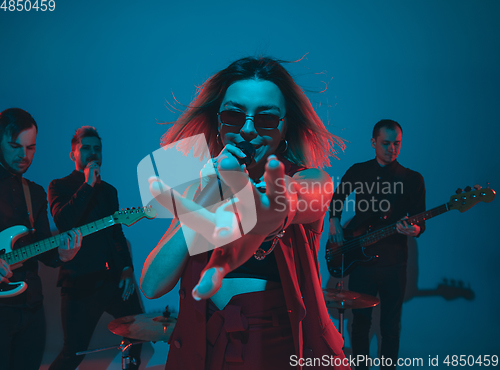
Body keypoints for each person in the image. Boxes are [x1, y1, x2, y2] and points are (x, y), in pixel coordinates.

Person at [141, 56, 351, 369]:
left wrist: (269, 206)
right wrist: (208, 194)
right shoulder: (199, 187)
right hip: (205, 349)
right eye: (234, 116)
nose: (248, 130)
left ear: (285, 127)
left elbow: (301, 198)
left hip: (278, 352)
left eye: (266, 119)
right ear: (219, 121)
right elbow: (153, 285)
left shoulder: (307, 178)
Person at [328, 120, 426, 369]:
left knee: (391, 327)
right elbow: (337, 198)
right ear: (373, 143)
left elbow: (420, 220)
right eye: (385, 143)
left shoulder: (413, 179)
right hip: (361, 260)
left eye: (397, 144)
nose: (392, 149)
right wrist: (334, 221)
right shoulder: (359, 171)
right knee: (359, 324)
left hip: (395, 263)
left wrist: (413, 230)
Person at [47, 126, 143, 370]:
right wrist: (88, 183)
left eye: (97, 149)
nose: (93, 153)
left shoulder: (109, 191)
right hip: (78, 284)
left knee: (139, 332)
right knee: (72, 353)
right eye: (86, 148)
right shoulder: (58, 186)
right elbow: (63, 221)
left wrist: (127, 269)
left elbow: (116, 232)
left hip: (112, 280)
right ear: (73, 154)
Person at [0, 108, 82, 370]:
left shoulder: (33, 192)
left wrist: (62, 255)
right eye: (15, 146)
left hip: (31, 306)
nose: (23, 156)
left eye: (31, 148)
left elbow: (44, 249)